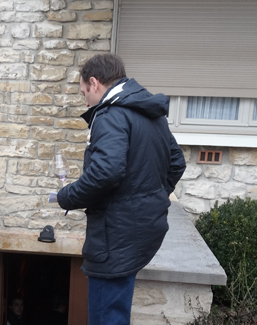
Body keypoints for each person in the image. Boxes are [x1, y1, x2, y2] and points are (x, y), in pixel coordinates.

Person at [56, 54, 186, 325]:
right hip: (141, 229)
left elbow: (106, 171)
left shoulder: (110, 114)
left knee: (106, 316)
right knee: (116, 312)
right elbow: (176, 163)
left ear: (94, 83)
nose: (86, 101)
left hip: (115, 237)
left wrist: (66, 197)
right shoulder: (147, 111)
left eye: (83, 94)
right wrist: (151, 197)